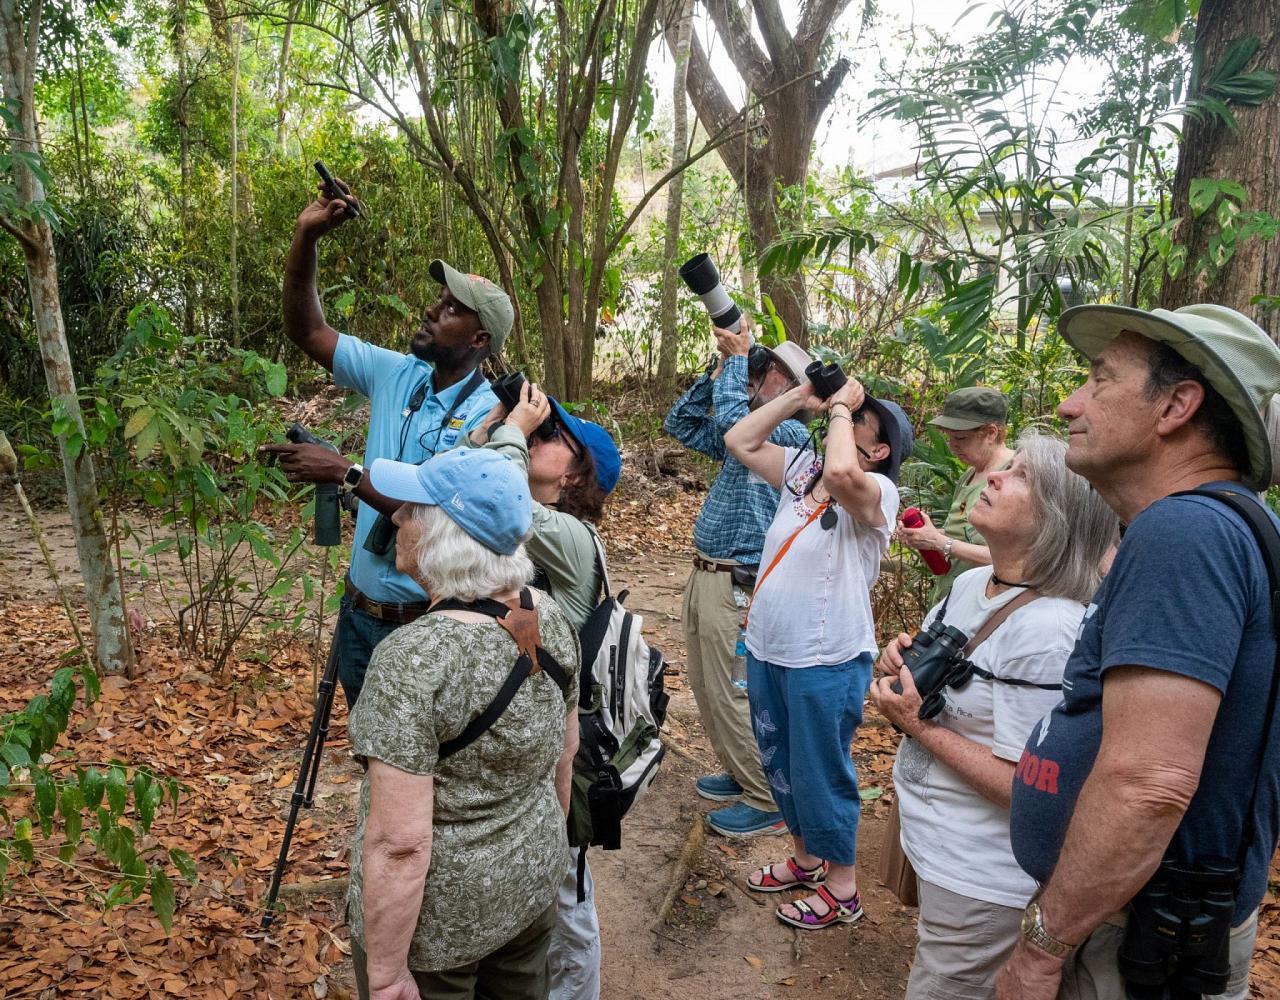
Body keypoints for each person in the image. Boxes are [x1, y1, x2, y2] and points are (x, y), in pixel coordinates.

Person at [992, 304, 1280, 1000]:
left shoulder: (1186, 533)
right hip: (1152, 920)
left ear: (1177, 406)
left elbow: (1148, 784)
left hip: (1132, 937)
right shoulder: (1229, 527)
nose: (1069, 404)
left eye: (1099, 380)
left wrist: (1042, 946)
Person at [869, 431, 1117, 998]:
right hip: (938, 840)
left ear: (1059, 518)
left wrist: (917, 725)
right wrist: (903, 660)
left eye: (1022, 476)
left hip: (984, 875)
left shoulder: (1051, 630)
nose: (996, 476)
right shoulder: (976, 582)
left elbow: (1026, 786)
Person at [346, 446, 580, 1000]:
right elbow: (563, 755)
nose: (398, 518)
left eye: (411, 510)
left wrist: (384, 975)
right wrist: (537, 849)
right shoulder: (547, 612)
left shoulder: (414, 659)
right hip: (531, 891)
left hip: (439, 932)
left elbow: (399, 844)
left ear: (436, 535)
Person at [265, 181, 507, 708]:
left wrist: (343, 473)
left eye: (451, 310)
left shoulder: (491, 418)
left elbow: (440, 516)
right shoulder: (398, 373)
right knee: (370, 761)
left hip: (429, 627)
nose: (432, 310)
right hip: (360, 613)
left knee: (423, 774)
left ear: (480, 340)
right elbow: (307, 331)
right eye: (439, 299)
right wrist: (306, 239)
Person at [724, 374, 914, 929]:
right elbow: (740, 442)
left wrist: (838, 410)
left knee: (820, 770)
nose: (844, 416)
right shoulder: (801, 472)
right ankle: (807, 861)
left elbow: (841, 471)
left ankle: (843, 887)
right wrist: (799, 397)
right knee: (780, 763)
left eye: (858, 420)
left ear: (877, 449)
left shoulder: (878, 493)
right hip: (768, 647)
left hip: (826, 656)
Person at [469, 381, 622, 1000]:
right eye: (539, 430)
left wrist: (508, 433)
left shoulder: (570, 537)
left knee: (564, 891)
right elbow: (462, 482)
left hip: (565, 739)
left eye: (554, 436)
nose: (538, 435)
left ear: (580, 473)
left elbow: (499, 497)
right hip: (520, 727)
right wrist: (497, 422)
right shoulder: (525, 529)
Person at [662, 321, 815, 837]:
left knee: (733, 688)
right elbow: (680, 423)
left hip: (739, 580)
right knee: (708, 685)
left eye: (771, 371)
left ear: (796, 390)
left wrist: (733, 363)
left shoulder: (791, 435)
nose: (760, 372)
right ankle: (740, 769)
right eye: (763, 366)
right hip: (708, 571)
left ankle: (766, 795)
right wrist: (719, 369)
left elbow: (732, 423)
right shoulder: (746, 426)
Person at [897, 387, 1014, 602]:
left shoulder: (1012, 475)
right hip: (952, 598)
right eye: (949, 437)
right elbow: (963, 535)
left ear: (991, 433)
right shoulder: (969, 475)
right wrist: (926, 536)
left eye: (960, 438)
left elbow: (1012, 558)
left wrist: (940, 543)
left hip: (985, 604)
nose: (952, 447)